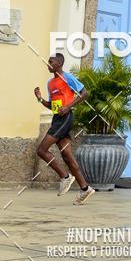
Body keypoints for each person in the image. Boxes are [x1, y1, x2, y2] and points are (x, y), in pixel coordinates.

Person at [34, 53, 95, 204]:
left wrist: (68, 107)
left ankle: (65, 177)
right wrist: (40, 98)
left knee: (41, 150)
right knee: (67, 156)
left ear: (59, 64)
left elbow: (85, 93)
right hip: (57, 118)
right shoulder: (50, 83)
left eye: (51, 61)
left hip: (65, 118)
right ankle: (85, 188)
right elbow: (52, 105)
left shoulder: (67, 78)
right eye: (47, 61)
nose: (48, 64)